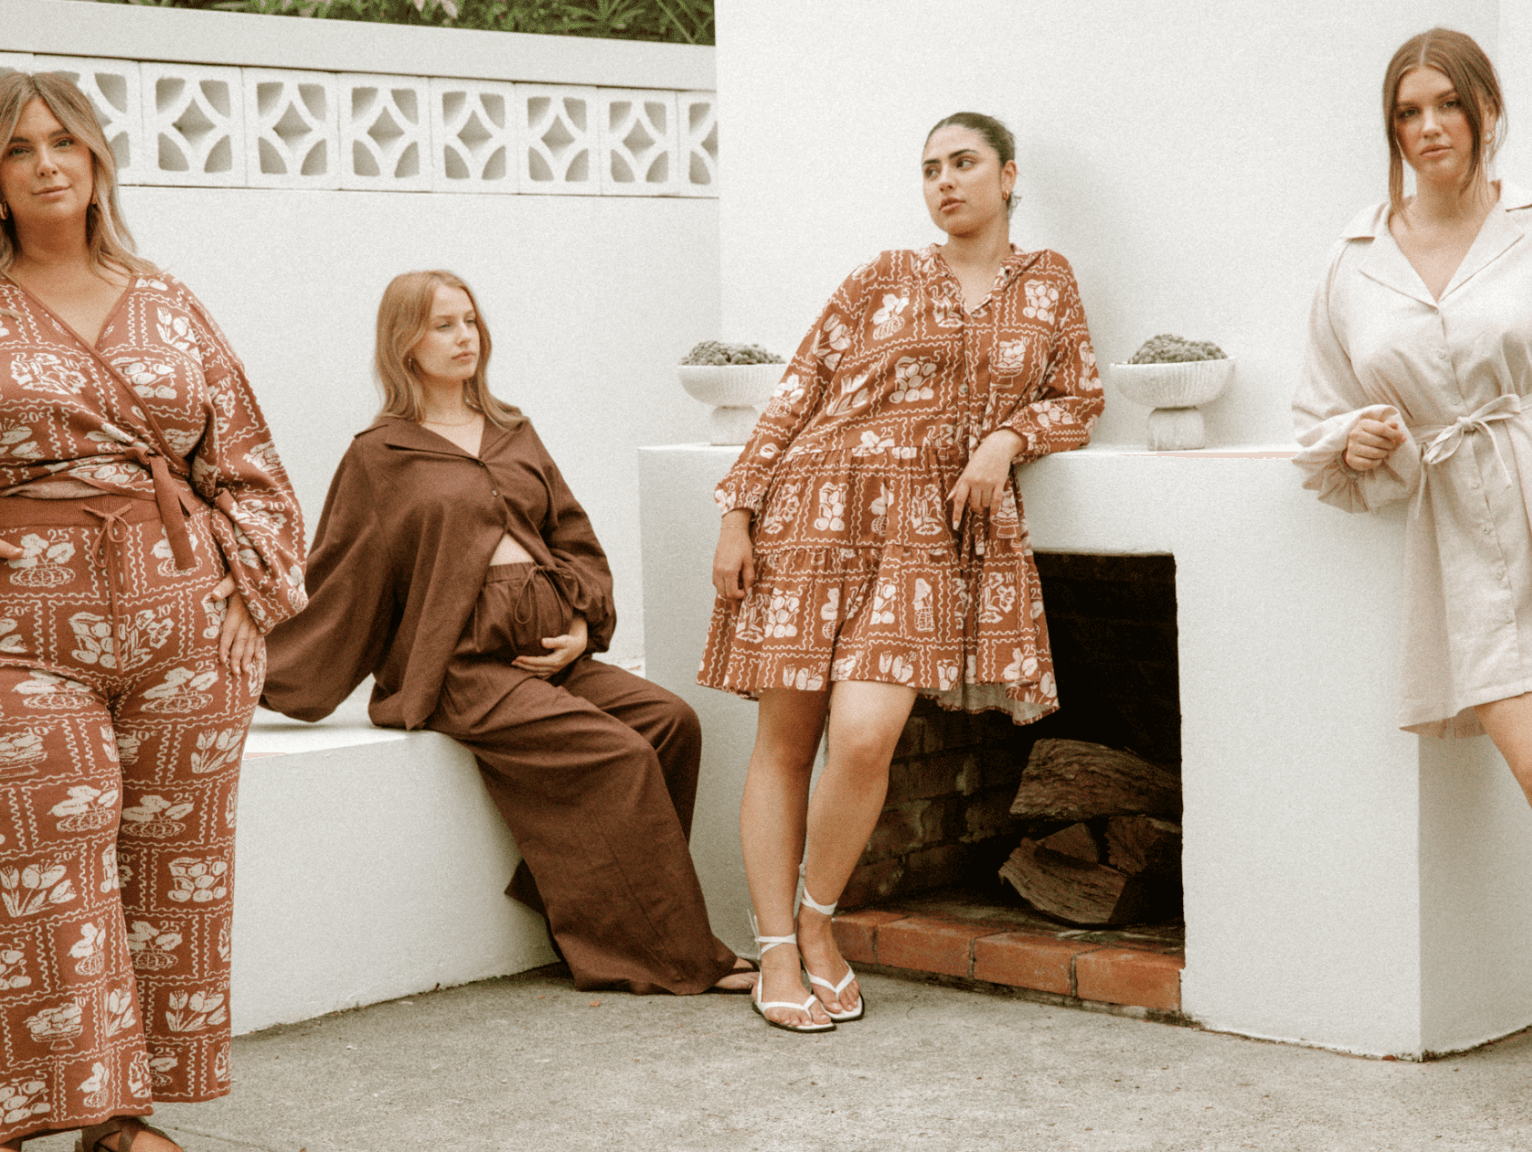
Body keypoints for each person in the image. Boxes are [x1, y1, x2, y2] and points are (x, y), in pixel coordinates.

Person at [702, 112, 1105, 1031]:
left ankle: (818, 920)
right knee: (785, 743)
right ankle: (776, 948)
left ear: (1009, 175)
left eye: (963, 163)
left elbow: (1079, 397)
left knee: (864, 738)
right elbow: (798, 391)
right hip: (812, 515)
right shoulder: (880, 276)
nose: (944, 182)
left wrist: (1007, 438)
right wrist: (737, 513)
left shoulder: (1049, 283)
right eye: (930, 169)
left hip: (924, 539)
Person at [259, 270, 756, 998]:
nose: (465, 337)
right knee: (617, 754)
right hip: (464, 670)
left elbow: (571, 536)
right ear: (404, 343)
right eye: (443, 325)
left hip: (552, 655)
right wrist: (250, 667)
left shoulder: (513, 431)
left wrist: (582, 626)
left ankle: (576, 893)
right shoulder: (380, 455)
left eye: (470, 321)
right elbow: (342, 577)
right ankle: (675, 954)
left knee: (669, 723)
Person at [0, 73, 306, 1152]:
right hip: (24, 629)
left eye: (66, 143)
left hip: (184, 621)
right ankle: (24, 1107)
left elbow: (249, 461)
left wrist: (250, 598)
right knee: (46, 862)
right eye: (18, 148)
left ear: (97, 160)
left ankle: (119, 1120)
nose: (47, 165)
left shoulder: (166, 299)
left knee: (175, 872)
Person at [1293, 28, 1532, 801]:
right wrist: (1356, 439)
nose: (1429, 126)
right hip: (1462, 538)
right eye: (1408, 112)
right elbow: (1320, 413)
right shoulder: (1356, 259)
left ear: (1488, 110)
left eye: (1449, 104)